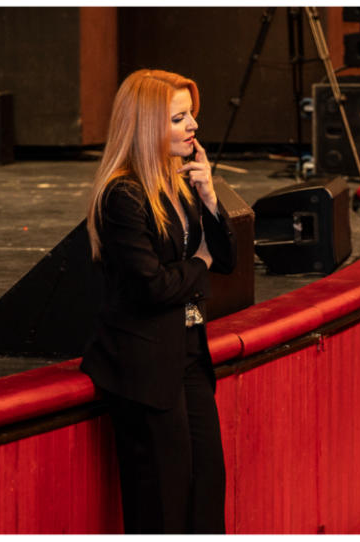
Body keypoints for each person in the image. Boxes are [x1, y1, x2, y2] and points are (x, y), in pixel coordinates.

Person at [80, 69, 236, 534]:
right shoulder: (122, 196)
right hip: (143, 368)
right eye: (179, 117)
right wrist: (199, 265)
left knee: (207, 488)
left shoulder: (182, 180)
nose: (193, 126)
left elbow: (226, 258)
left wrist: (209, 195)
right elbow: (151, 287)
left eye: (191, 115)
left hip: (186, 356)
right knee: (163, 508)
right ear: (148, 125)